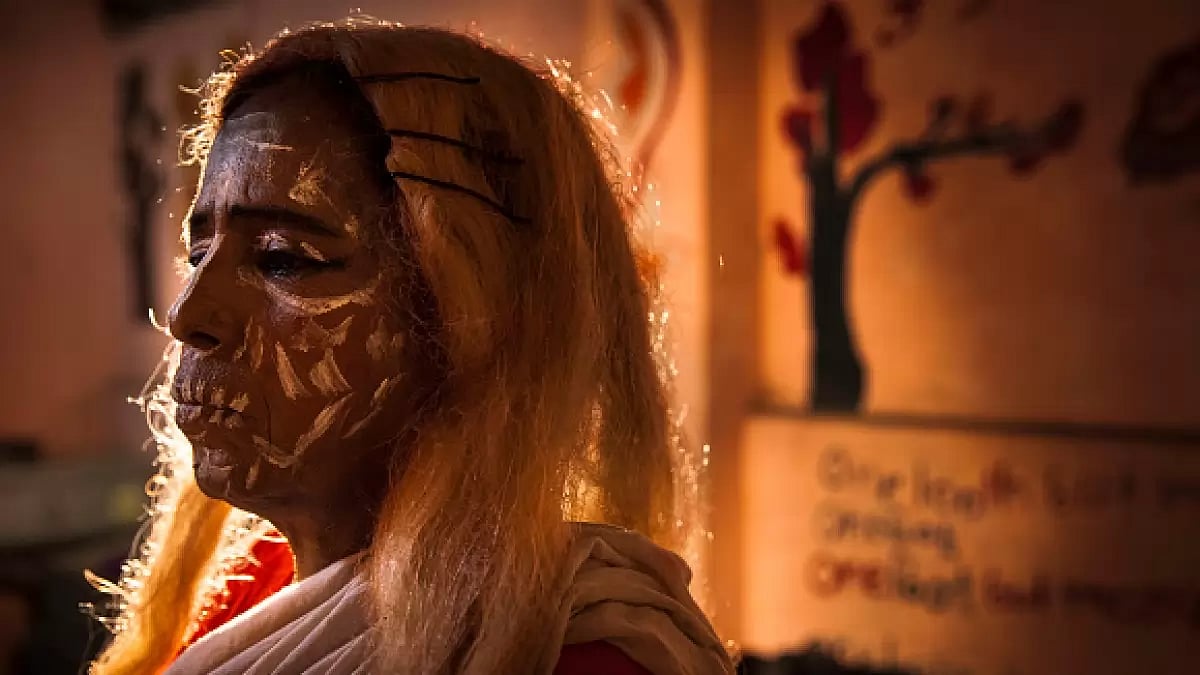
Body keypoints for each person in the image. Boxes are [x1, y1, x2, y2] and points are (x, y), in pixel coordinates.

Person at [87, 18, 732, 675]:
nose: (186, 313)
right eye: (198, 254)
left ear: (472, 316)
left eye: (283, 259)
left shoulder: (579, 659)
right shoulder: (249, 591)